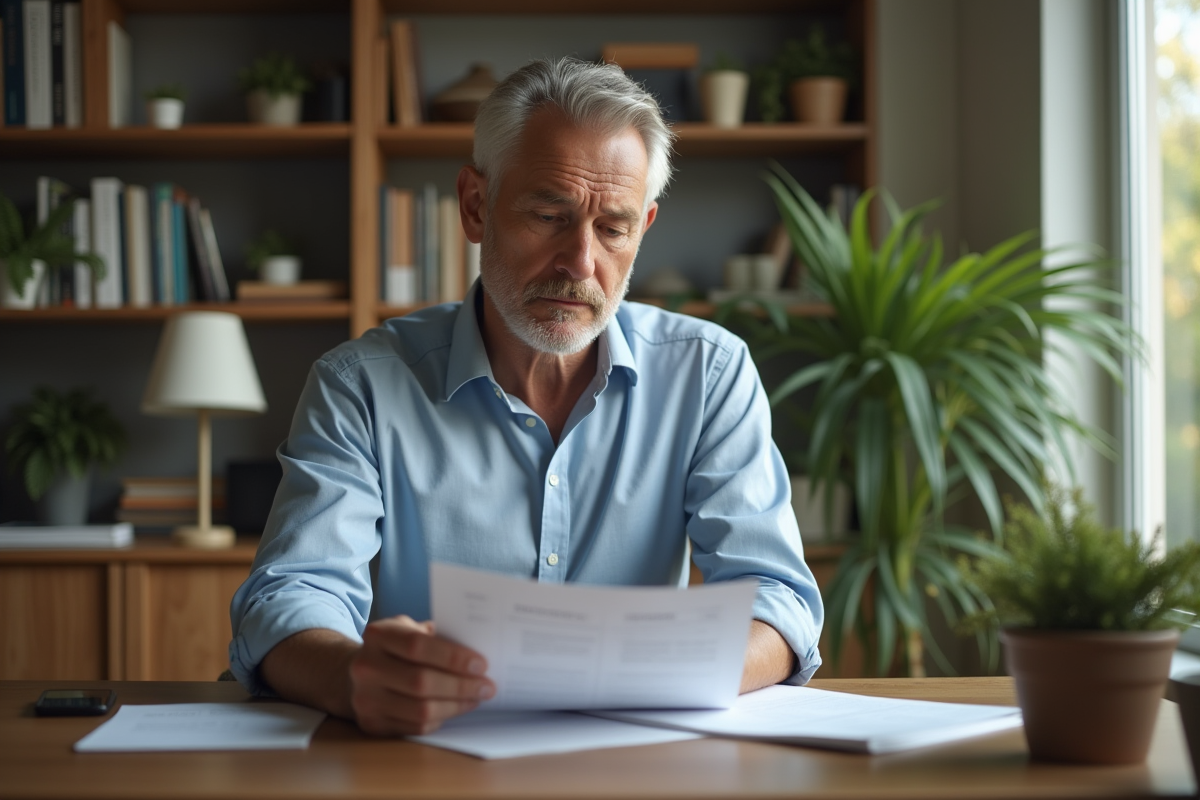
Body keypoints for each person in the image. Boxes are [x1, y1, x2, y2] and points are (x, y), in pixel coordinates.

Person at [229, 57, 823, 736]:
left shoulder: (709, 375)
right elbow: (290, 593)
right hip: (419, 758)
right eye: (548, 215)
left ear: (645, 226)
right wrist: (351, 676)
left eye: (614, 228)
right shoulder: (360, 385)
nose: (581, 263)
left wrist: (655, 674)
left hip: (633, 759)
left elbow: (778, 599)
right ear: (475, 206)